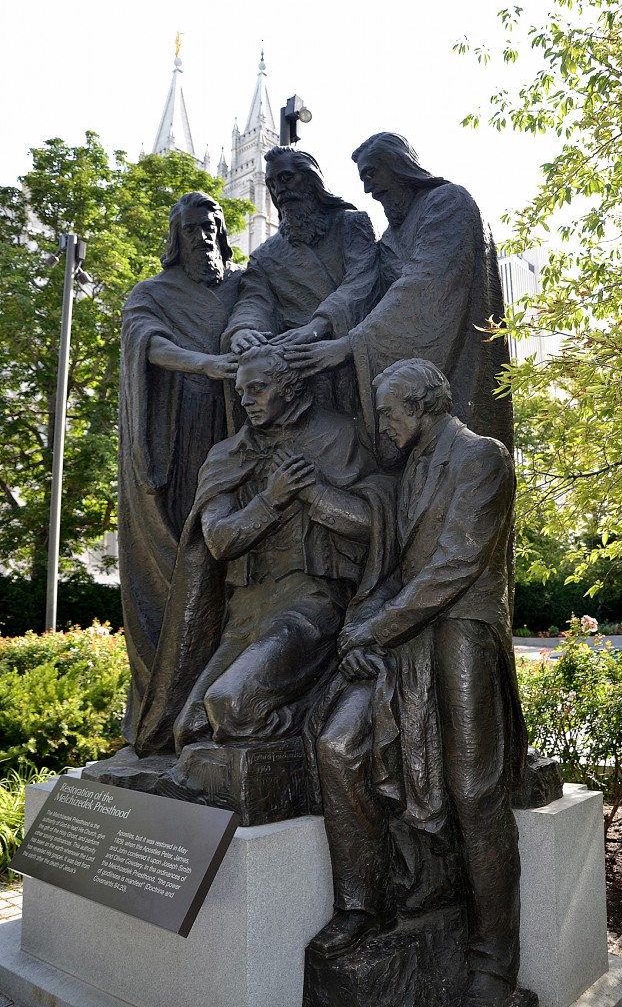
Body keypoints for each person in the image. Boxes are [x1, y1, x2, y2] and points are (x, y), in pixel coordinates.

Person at [310, 360, 526, 1007]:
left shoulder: (481, 458)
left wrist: (375, 629)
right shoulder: (405, 474)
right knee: (339, 742)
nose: (382, 426)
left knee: (472, 791)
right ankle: (367, 904)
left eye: (389, 413)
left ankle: (492, 964)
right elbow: (397, 565)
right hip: (405, 636)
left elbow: (454, 565)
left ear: (423, 405)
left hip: (461, 629)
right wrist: (364, 629)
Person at [132, 345, 396, 757]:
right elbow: (218, 542)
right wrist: (271, 499)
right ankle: (290, 735)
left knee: (230, 705)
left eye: (257, 389)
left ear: (290, 387)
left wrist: (314, 494)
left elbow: (377, 525)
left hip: (311, 604)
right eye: (241, 392)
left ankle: (308, 729)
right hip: (247, 612)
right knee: (191, 729)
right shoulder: (228, 454)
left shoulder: (341, 435)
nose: (246, 401)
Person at [284, 133, 513, 456]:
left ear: (398, 164)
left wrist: (350, 345)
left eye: (371, 174)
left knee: (465, 463)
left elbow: (424, 284)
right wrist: (318, 326)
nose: (367, 189)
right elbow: (364, 288)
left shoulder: (448, 202)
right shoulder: (391, 235)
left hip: (460, 361)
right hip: (411, 389)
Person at [119, 191, 241, 743]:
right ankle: (164, 713)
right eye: (192, 228)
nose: (204, 235)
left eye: (212, 225)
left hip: (239, 436)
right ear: (177, 237)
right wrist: (206, 364)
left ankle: (227, 711)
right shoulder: (152, 293)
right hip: (179, 440)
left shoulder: (244, 287)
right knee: (180, 576)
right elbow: (149, 345)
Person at [221, 146, 380, 429]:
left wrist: (319, 324)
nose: (279, 190)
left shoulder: (350, 224)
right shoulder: (265, 254)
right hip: (297, 372)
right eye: (271, 184)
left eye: (286, 178)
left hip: (350, 354)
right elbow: (254, 299)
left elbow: (362, 280)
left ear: (310, 180)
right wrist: (243, 329)